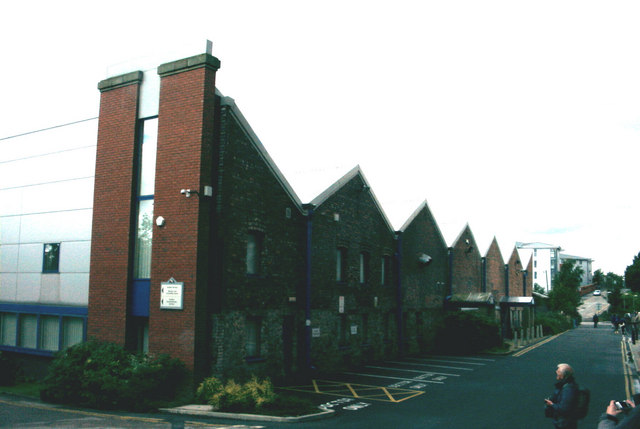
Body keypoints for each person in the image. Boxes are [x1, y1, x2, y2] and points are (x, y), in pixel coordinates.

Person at [545, 363, 579, 429]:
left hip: (565, 424)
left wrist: (551, 404)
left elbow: (564, 409)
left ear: (563, 375)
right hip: (562, 422)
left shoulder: (569, 389)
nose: (556, 372)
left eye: (558, 371)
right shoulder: (565, 385)